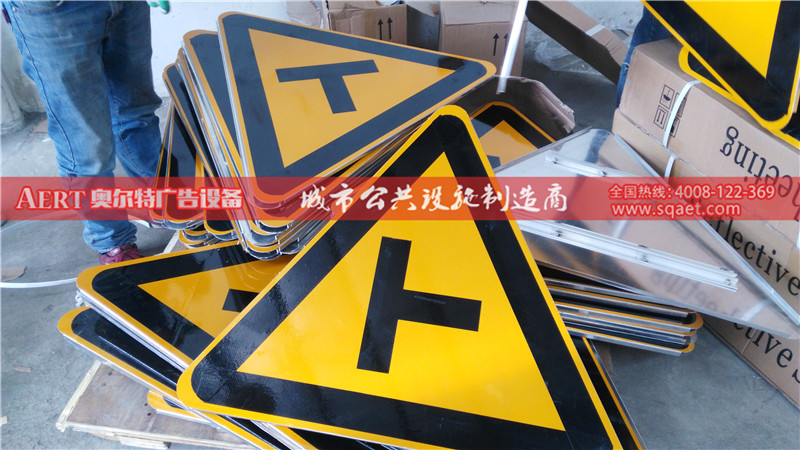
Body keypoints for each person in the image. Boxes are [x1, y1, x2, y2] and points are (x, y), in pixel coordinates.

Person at [3, 0, 163, 263]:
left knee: (137, 114)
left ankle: (166, 204)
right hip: (55, 10)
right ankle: (113, 241)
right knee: (85, 146)